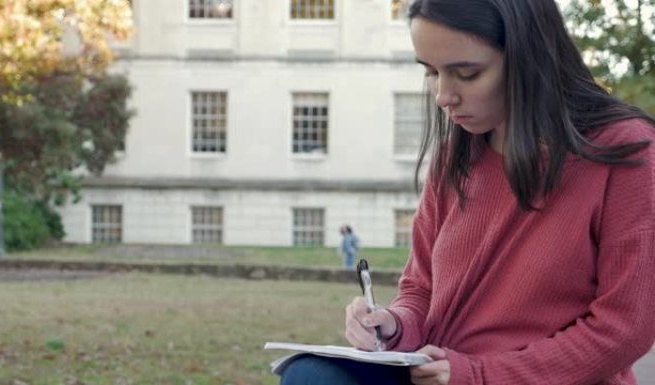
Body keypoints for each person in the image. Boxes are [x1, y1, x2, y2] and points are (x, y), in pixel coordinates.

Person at [279, 0, 655, 384]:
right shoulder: (454, 158)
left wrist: (481, 375)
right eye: (431, 72)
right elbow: (420, 289)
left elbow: (626, 327)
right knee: (310, 374)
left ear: (531, 57)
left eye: (467, 74)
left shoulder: (625, 150)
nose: (443, 96)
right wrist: (392, 324)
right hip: (439, 373)